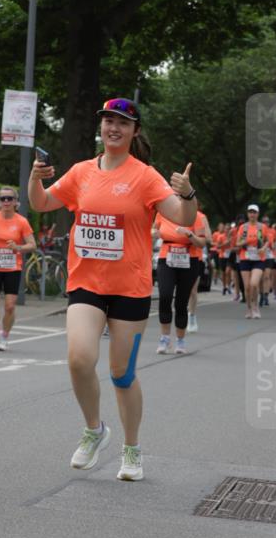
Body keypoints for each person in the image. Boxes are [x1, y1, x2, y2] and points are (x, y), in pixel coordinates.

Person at [28, 96, 197, 482]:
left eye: (122, 122)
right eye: (108, 121)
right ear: (101, 127)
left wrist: (187, 194)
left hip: (129, 289)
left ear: (135, 131)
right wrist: (35, 178)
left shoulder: (145, 177)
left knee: (122, 374)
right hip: (86, 283)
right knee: (79, 359)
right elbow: (41, 203)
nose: (113, 128)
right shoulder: (82, 172)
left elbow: (182, 216)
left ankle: (132, 448)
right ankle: (94, 430)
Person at [0, 187, 36, 350]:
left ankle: (4, 336)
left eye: (9, 198)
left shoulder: (21, 222)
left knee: (10, 307)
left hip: (12, 269)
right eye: (2, 198)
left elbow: (32, 245)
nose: (6, 201)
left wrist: (18, 247)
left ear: (15, 202)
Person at [153, 208, 206, 352]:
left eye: (180, 197)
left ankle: (180, 340)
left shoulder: (195, 216)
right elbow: (153, 230)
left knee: (181, 302)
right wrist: (153, 234)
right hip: (166, 258)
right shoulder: (162, 212)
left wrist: (189, 234)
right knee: (165, 296)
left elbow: (202, 243)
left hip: (189, 260)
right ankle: (165, 338)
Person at [235, 204, 269, 318]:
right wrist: (244, 242)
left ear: (258, 214)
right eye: (250, 212)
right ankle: (249, 309)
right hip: (245, 258)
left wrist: (264, 248)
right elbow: (237, 243)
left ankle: (256, 307)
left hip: (258, 258)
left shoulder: (262, 227)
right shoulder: (243, 227)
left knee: (254, 283)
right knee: (247, 287)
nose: (252, 214)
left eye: (254, 212)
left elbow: (267, 241)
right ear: (247, 214)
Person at [187, 206, 211, 332]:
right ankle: (182, 315)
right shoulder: (174, 213)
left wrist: (196, 235)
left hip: (196, 257)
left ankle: (191, 316)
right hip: (176, 257)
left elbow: (208, 238)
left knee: (192, 290)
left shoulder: (201, 217)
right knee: (180, 290)